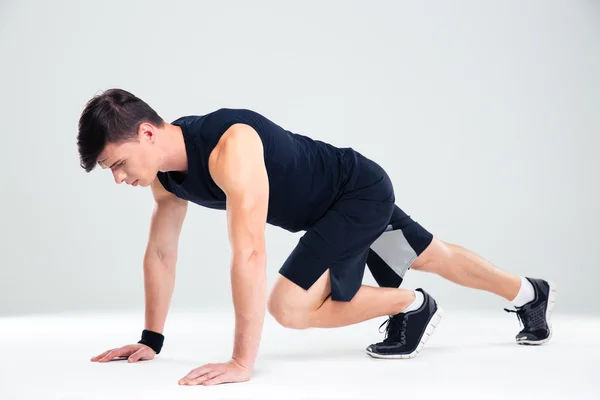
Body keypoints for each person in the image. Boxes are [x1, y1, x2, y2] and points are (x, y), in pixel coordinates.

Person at [78, 88, 556, 387]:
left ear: (146, 133)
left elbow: (248, 252)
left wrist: (241, 362)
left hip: (356, 191)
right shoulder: (165, 179)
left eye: (117, 163)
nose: (119, 178)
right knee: (434, 255)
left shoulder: (230, 146)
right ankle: (530, 294)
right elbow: (161, 254)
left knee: (288, 305)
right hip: (339, 207)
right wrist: (151, 339)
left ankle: (411, 305)